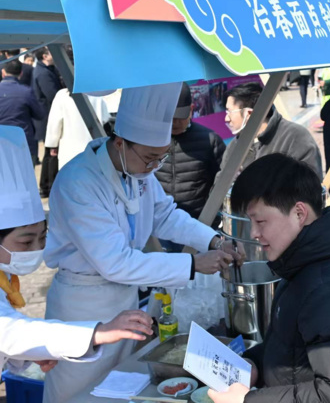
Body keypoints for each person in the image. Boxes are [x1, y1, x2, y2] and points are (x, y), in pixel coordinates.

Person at [42, 83, 243, 402]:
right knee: (78, 393)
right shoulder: (78, 183)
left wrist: (214, 240)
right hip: (82, 309)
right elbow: (115, 262)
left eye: (161, 159)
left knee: (123, 385)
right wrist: (193, 264)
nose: (154, 167)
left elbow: (166, 216)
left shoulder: (138, 171)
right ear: (120, 143)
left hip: (124, 303)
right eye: (150, 158)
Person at [211, 154, 330, 403]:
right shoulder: (301, 263)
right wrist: (255, 364)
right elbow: (290, 349)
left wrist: (249, 401)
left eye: (260, 221)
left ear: (299, 213)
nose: (254, 234)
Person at [0, 124, 154, 374]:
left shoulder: (6, 276)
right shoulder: (78, 180)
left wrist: (24, 356)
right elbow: (9, 330)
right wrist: (99, 332)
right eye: (26, 242)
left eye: (43, 238)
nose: (37, 250)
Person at [155, 82, 226, 252]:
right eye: (170, 117)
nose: (175, 122)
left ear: (192, 109)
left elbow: (222, 183)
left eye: (180, 116)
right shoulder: (151, 140)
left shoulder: (210, 140)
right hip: (159, 228)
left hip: (200, 228)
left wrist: (213, 220)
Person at [221, 83, 322, 179]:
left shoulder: (295, 137)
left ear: (249, 113)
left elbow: (310, 184)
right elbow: (220, 184)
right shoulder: (234, 146)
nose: (226, 118)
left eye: (230, 112)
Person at [44, 88, 110, 170]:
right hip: (92, 149)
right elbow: (105, 118)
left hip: (69, 152)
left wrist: (52, 145)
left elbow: (54, 123)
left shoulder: (62, 95)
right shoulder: (97, 94)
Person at [31, 47, 63, 197]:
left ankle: (46, 186)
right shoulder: (43, 73)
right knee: (51, 153)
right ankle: (47, 186)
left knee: (49, 153)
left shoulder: (46, 70)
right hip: (47, 118)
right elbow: (53, 95)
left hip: (47, 117)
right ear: (45, 56)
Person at [0, 59, 44, 163]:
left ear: (3, 72)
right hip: (23, 141)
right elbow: (39, 115)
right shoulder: (26, 92)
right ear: (21, 73)